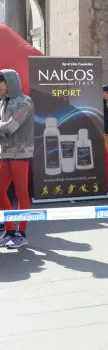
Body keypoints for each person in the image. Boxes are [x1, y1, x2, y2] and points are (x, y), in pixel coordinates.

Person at [0, 70, 34, 249]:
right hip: (5, 152)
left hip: (21, 153)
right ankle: (10, 230)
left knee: (21, 192)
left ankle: (21, 233)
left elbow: (11, 127)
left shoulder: (25, 102)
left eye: (0, 82)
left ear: (9, 82)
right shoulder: (3, 102)